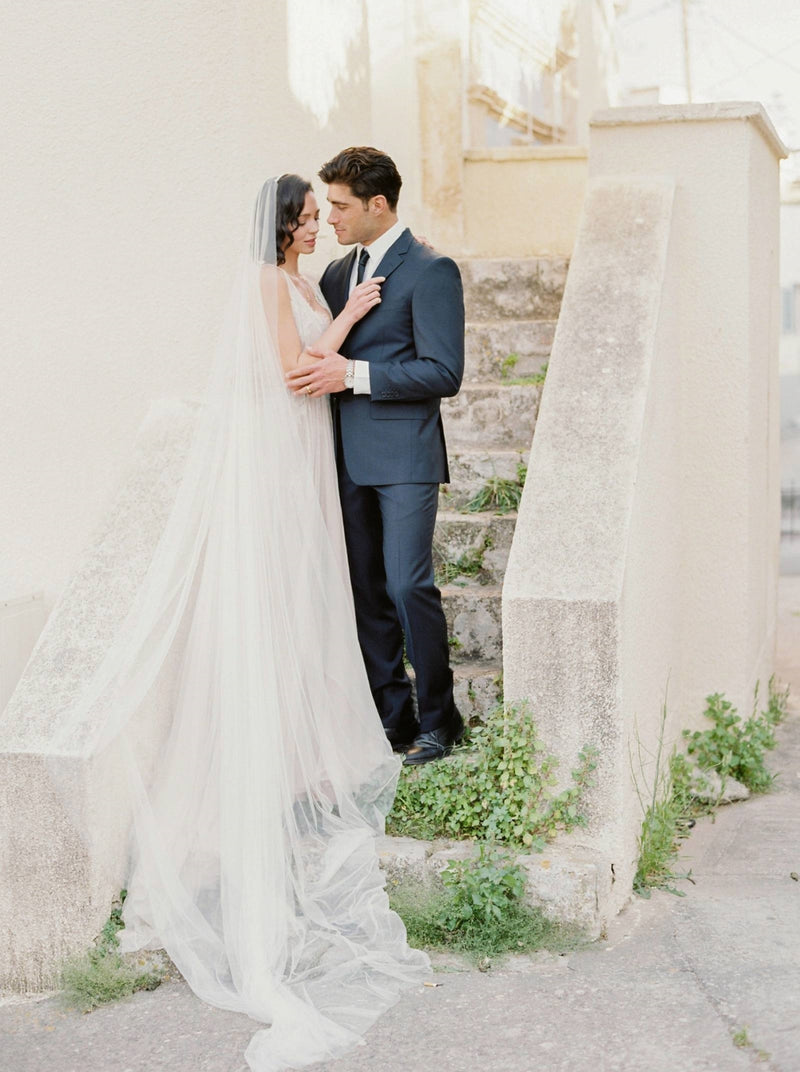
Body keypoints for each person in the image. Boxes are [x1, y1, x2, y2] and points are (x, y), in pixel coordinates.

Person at [51, 175, 429, 1072]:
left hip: (307, 470)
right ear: (280, 224)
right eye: (304, 220)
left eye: (317, 220)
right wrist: (349, 321)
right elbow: (293, 376)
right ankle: (254, 803)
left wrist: (341, 305)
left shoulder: (307, 282)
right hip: (276, 465)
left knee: (309, 616)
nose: (314, 230)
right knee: (272, 617)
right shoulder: (271, 284)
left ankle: (301, 768)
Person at [286, 147, 465, 766]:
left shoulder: (431, 269)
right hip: (343, 458)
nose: (328, 218)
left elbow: (444, 371)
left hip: (405, 458)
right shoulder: (337, 278)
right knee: (365, 591)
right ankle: (394, 721)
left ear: (377, 205)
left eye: (339, 206)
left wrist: (355, 375)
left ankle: (442, 721)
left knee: (408, 584)